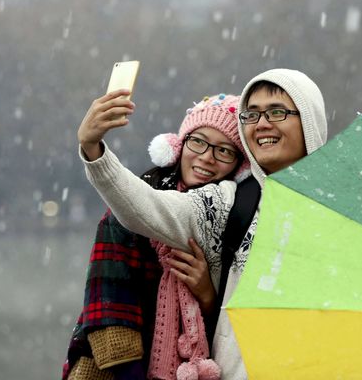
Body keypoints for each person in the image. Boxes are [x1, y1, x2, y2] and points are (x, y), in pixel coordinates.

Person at [81, 69, 328, 379]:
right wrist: (95, 151)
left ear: (309, 119)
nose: (262, 123)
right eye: (251, 114)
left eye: (277, 112)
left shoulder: (344, 213)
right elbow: (145, 208)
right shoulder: (231, 201)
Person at [63, 92, 250, 380]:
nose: (207, 158)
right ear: (178, 144)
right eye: (198, 142)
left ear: (239, 164)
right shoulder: (133, 204)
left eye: (224, 151)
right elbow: (108, 304)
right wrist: (91, 146)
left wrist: (207, 294)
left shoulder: (237, 218)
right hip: (123, 368)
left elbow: (235, 328)